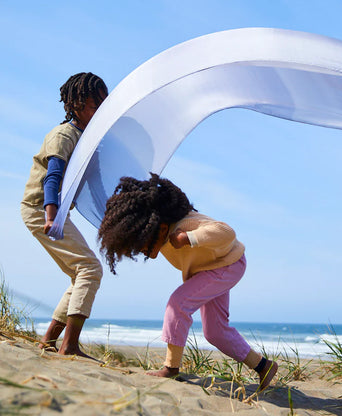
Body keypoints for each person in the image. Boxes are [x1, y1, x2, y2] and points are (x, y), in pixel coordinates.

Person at [98, 173, 278, 390]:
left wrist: (189, 238)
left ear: (161, 227)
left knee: (178, 304)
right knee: (215, 332)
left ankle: (171, 369)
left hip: (228, 264)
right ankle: (263, 366)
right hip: (211, 268)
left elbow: (227, 233)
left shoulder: (187, 224)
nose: (142, 250)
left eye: (142, 242)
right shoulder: (162, 233)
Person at [21, 72, 108, 358]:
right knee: (90, 269)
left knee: (79, 272)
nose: (98, 113)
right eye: (94, 106)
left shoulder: (84, 139)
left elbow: (93, 186)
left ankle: (48, 341)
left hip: (53, 212)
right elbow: (52, 177)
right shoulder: (64, 135)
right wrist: (50, 216)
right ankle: (69, 346)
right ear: (76, 105)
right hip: (40, 209)